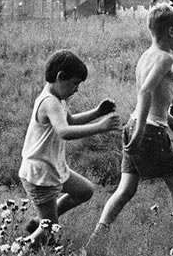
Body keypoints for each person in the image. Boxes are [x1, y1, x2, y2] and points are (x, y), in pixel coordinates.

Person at [83, 2, 173, 255]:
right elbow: (146, 91)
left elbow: (157, 99)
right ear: (169, 31)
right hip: (149, 131)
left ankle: (95, 240)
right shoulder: (166, 58)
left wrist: (172, 121)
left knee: (125, 190)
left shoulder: (146, 55)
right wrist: (144, 130)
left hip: (132, 125)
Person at [18, 50, 121, 252]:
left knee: (85, 191)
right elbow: (65, 131)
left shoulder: (57, 100)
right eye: (74, 83)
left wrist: (97, 112)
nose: (76, 89)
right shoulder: (49, 102)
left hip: (52, 168)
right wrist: (101, 126)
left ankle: (40, 222)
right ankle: (18, 249)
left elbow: (70, 121)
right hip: (40, 174)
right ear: (60, 77)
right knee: (49, 231)